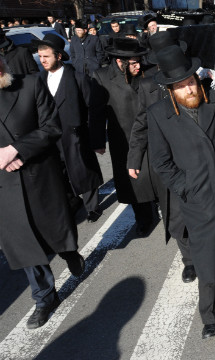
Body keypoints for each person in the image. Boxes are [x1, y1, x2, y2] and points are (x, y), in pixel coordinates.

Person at [147, 45, 215, 339]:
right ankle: (210, 315)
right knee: (207, 261)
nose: (189, 89)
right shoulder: (159, 114)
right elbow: (160, 160)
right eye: (181, 86)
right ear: (171, 90)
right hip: (197, 199)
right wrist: (185, 188)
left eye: (191, 82)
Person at [0, 53, 85, 330]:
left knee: (55, 230)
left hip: (40, 176)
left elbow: (51, 127)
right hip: (5, 186)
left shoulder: (30, 84)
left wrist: (16, 149)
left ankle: (70, 252)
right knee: (24, 244)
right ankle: (44, 298)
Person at [127, 32, 194, 282]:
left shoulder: (194, 78)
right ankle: (189, 261)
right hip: (167, 160)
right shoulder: (147, 86)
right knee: (176, 215)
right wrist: (134, 158)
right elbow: (141, 123)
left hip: (195, 155)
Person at [33, 34, 104, 222]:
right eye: (40, 57)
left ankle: (92, 206)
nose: (42, 61)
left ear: (58, 56)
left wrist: (95, 138)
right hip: (51, 137)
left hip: (75, 135)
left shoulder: (77, 78)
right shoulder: (39, 79)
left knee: (84, 171)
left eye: (46, 56)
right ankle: (72, 202)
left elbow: (93, 109)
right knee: (59, 173)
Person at [90, 38, 156, 236]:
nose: (138, 66)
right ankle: (143, 218)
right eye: (133, 63)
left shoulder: (148, 71)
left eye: (139, 61)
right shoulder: (101, 77)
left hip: (151, 134)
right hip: (123, 139)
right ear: (120, 62)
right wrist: (98, 141)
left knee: (155, 174)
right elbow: (96, 111)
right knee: (132, 183)